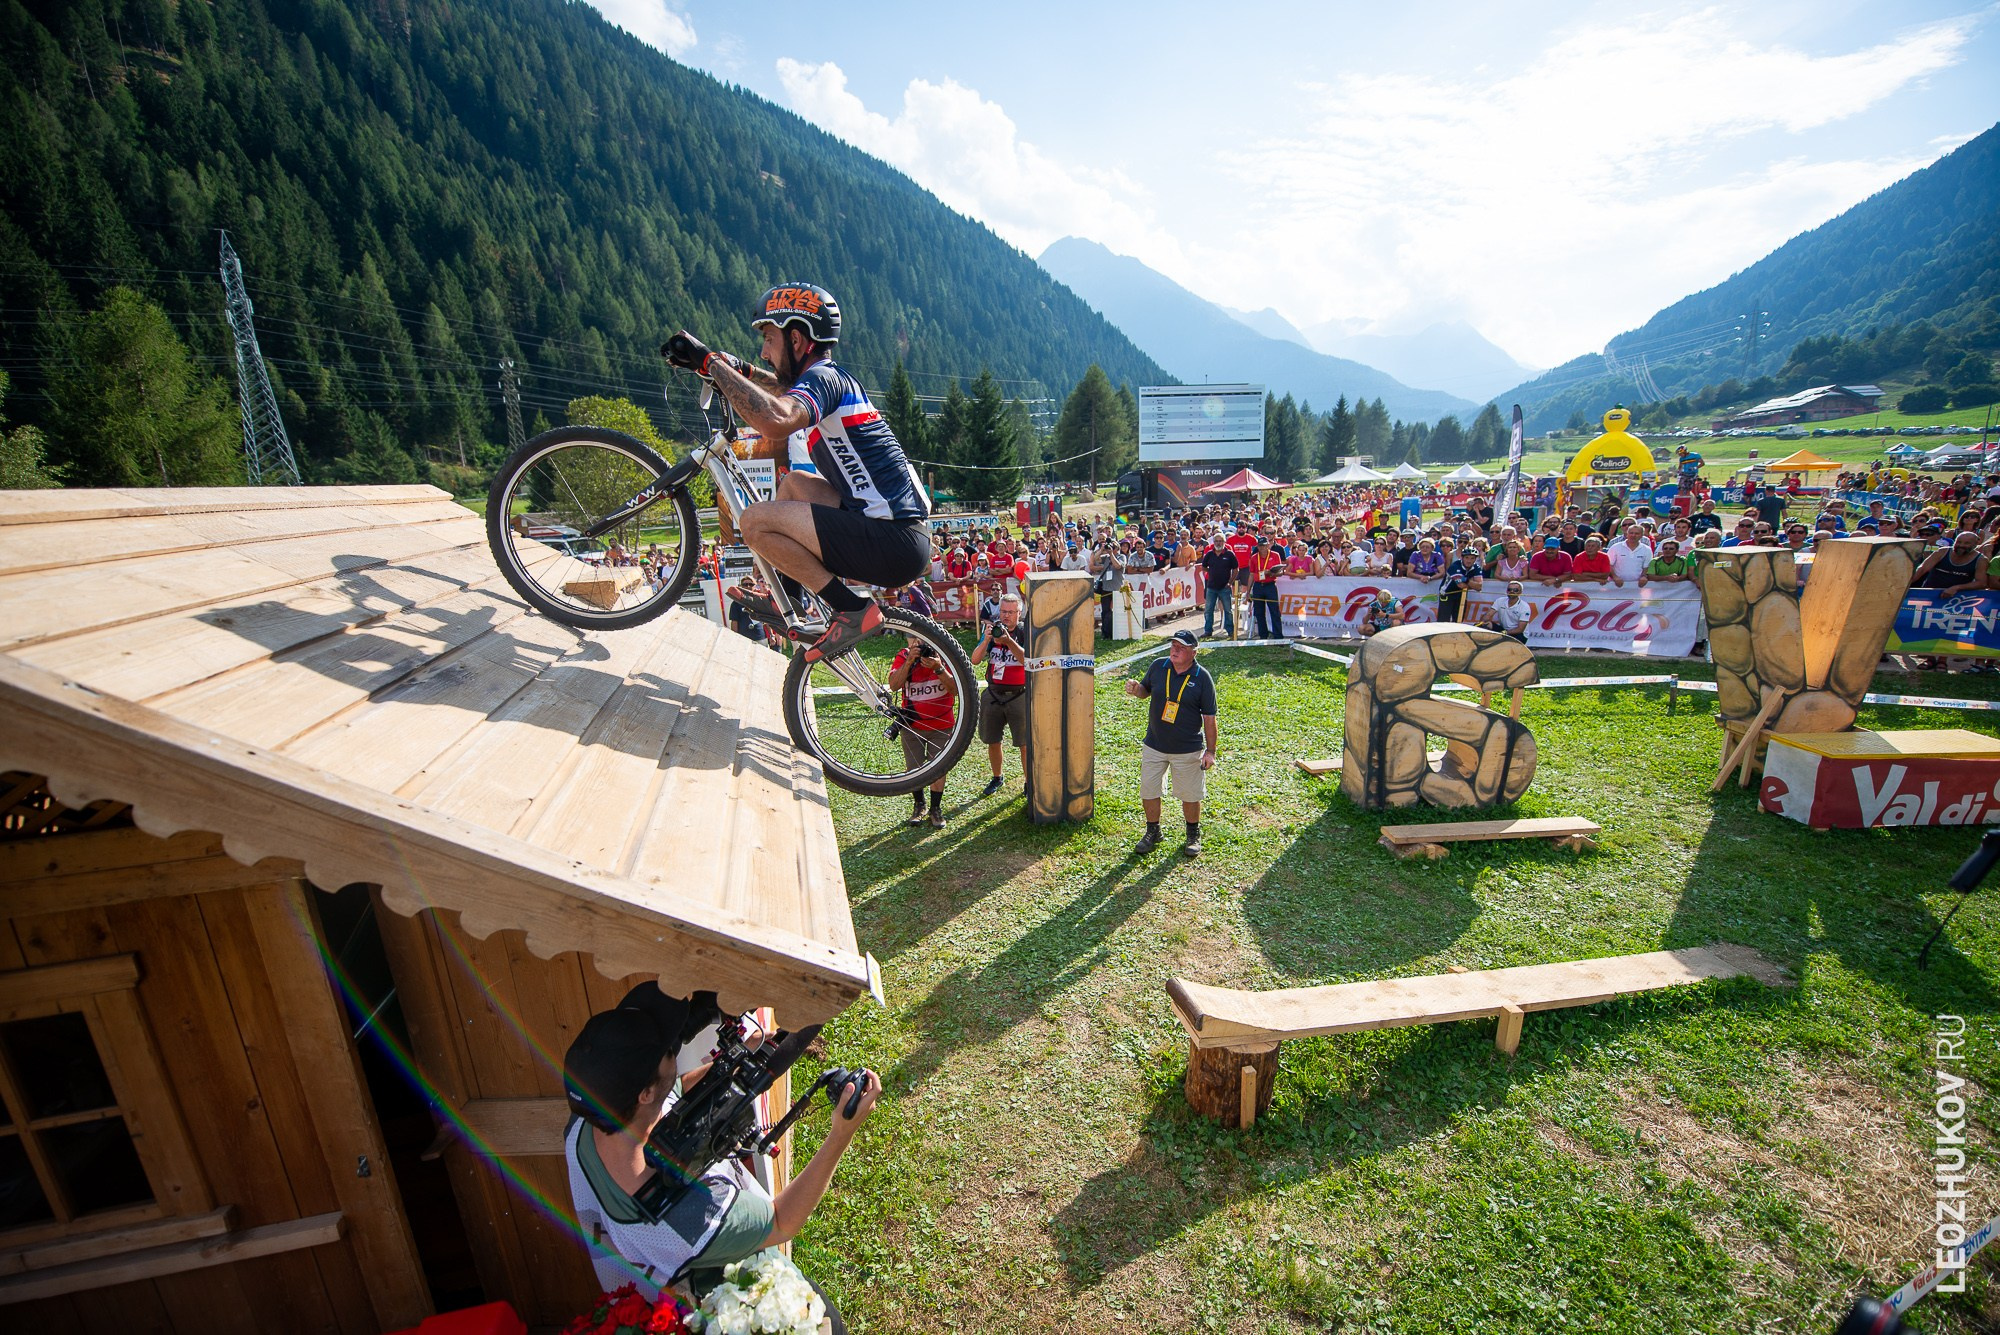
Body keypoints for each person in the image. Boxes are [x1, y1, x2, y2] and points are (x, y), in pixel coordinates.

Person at [563, 984, 879, 1321]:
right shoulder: (683, 1216)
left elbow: (675, 1089)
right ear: (644, 1093)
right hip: (736, 1304)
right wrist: (841, 1133)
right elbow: (781, 1222)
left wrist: (736, 1060)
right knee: (827, 1319)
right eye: (668, 1051)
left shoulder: (590, 1120)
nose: (674, 1048)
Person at [666, 282, 931, 663]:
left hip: (893, 541)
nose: (764, 351)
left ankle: (851, 609)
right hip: (894, 533)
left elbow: (776, 419)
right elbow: (782, 389)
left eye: (768, 339)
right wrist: (741, 371)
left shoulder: (824, 379)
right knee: (793, 484)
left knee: (754, 521)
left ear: (796, 340)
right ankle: (788, 600)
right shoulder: (828, 379)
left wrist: (711, 364)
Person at [1124, 629, 1217, 857]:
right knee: (1149, 790)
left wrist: (1211, 751)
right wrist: (1136, 690)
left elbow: (1209, 718)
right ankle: (1153, 831)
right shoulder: (1158, 666)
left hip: (1187, 749)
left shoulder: (1202, 678)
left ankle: (1193, 834)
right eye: (1173, 645)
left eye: (1181, 647)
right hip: (1154, 744)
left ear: (1194, 652)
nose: (1174, 650)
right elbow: (1145, 691)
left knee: (1190, 794)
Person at [888, 633, 957, 827]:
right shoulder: (903, 655)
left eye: (923, 638)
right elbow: (894, 685)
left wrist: (939, 668)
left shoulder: (947, 654)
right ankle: (919, 805)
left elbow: (955, 689)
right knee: (913, 769)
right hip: (912, 725)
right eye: (914, 639)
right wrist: (909, 661)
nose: (919, 643)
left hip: (941, 724)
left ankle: (935, 808)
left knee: (939, 768)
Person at [970, 593, 1029, 797]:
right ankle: (997, 777)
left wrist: (1008, 641)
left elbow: (1027, 660)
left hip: (1019, 694)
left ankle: (1029, 782)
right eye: (1003, 611)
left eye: (1011, 612)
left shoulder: (1025, 631)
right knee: (992, 739)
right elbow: (975, 660)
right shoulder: (993, 630)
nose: (1006, 616)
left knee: (1025, 742)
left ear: (1019, 613)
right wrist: (987, 639)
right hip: (993, 693)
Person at [1199, 538, 1239, 639]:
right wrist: (1211, 571)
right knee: (1208, 610)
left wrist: (1230, 582)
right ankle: (1208, 631)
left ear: (1224, 542)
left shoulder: (1229, 554)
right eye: (1216, 541)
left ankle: (1230, 631)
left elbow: (1236, 569)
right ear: (1214, 542)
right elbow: (1203, 567)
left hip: (1225, 587)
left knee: (1228, 610)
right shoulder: (1209, 554)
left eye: (1220, 541)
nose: (1218, 543)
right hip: (1211, 587)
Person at [1247, 535, 1285, 638]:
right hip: (1258, 586)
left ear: (1268, 545)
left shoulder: (1275, 555)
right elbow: (1251, 574)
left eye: (1264, 545)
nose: (1262, 548)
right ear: (1257, 546)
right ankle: (1263, 636)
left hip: (1270, 586)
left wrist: (1271, 573)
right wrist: (1248, 592)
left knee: (1274, 611)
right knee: (1259, 612)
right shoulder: (1254, 557)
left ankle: (1278, 636)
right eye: (1260, 546)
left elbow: (1280, 572)